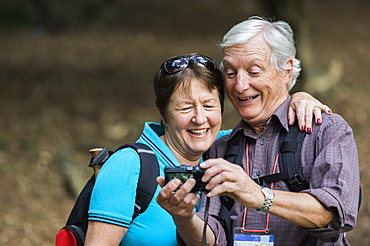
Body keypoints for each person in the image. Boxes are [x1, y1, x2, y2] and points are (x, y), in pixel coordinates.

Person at [84, 53, 330, 245]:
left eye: (209, 105)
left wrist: (300, 98)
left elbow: (272, 125)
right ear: (163, 113)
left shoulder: (229, 146)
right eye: (185, 108)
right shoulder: (129, 165)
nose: (200, 119)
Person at [156, 17, 359, 246]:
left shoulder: (326, 131)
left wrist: (258, 195)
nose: (240, 86)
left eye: (254, 72)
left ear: (286, 71)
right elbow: (212, 239)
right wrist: (183, 218)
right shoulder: (221, 148)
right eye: (231, 73)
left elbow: (337, 213)